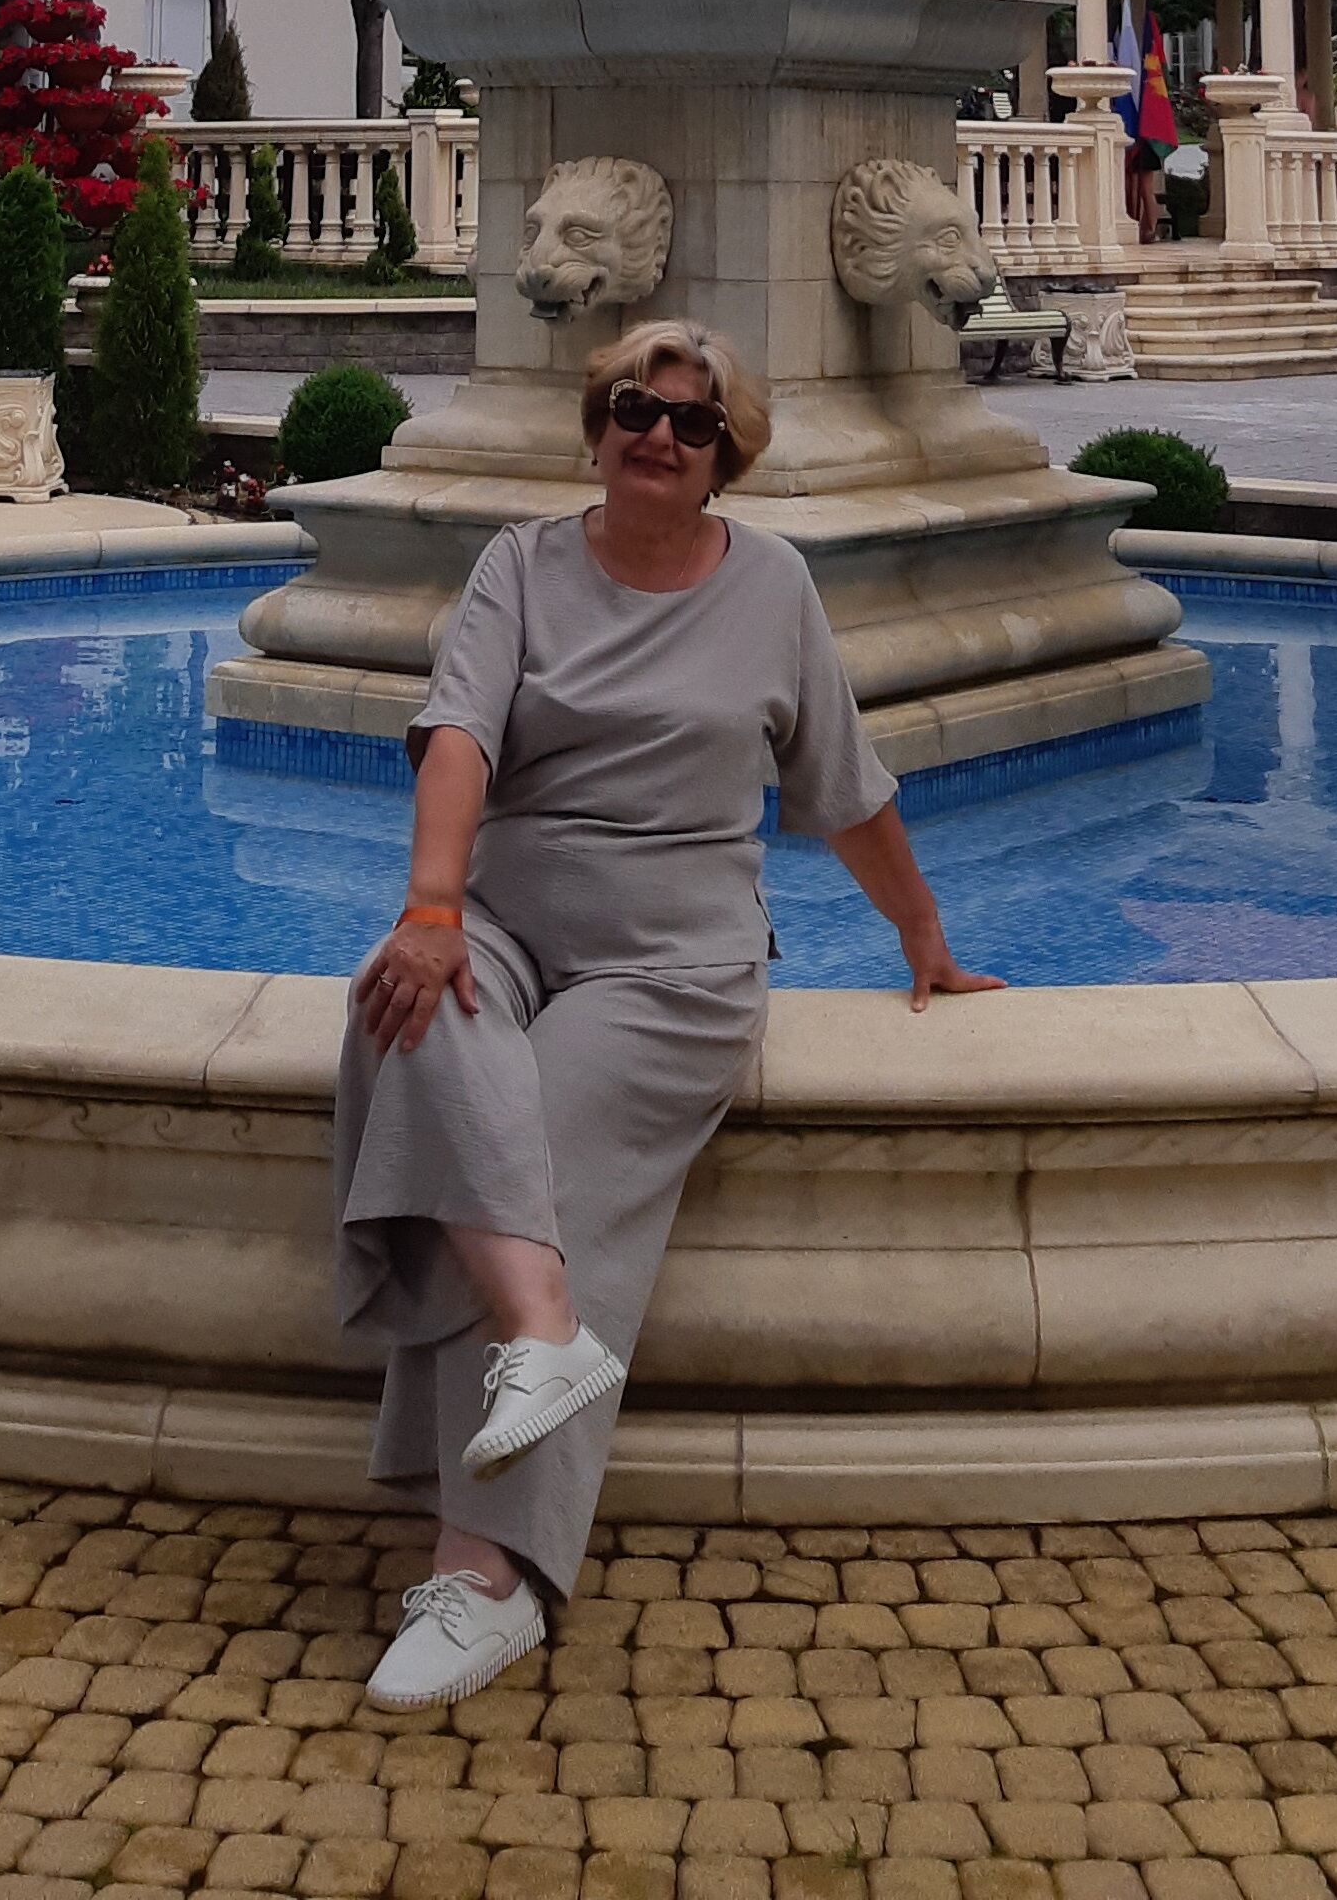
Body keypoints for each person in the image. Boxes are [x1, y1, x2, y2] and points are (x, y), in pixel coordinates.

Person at [334, 318, 1003, 1711]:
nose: (660, 435)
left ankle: (484, 1579)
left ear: (723, 458)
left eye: (693, 423)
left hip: (670, 963)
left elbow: (845, 787)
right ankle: (545, 1330)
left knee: (529, 1158)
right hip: (507, 920)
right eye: (637, 407)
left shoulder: (772, 586)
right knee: (408, 1004)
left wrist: (923, 938)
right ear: (598, 427)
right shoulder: (521, 564)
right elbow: (457, 735)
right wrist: (434, 907)